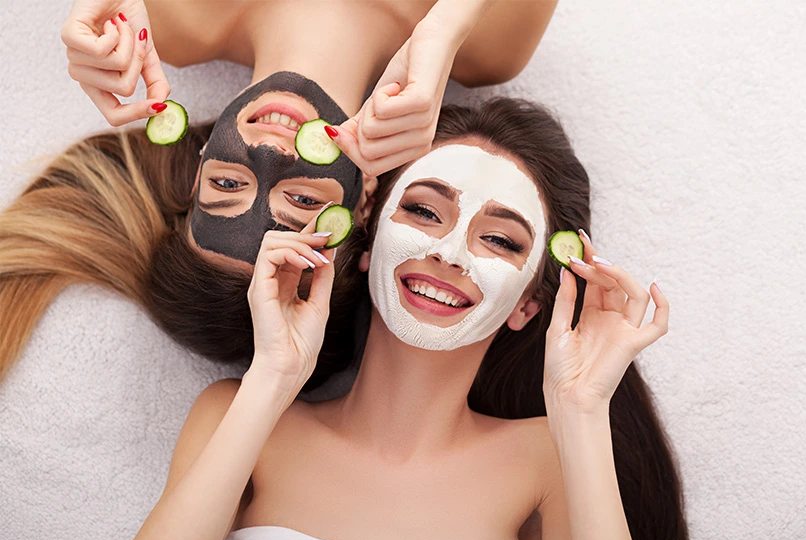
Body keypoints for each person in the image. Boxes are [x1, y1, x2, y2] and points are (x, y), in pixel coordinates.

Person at [115, 98, 691, 540]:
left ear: (528, 304)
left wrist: (583, 409)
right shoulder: (238, 416)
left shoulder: (550, 461)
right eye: (422, 212)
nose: (449, 253)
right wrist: (274, 374)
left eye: (500, 240)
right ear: (366, 244)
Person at [0, 0, 558, 379]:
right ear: (364, 203)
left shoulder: (167, 16)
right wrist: (445, 25)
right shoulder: (489, 45)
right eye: (303, 202)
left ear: (197, 170)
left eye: (227, 183)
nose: (268, 153)